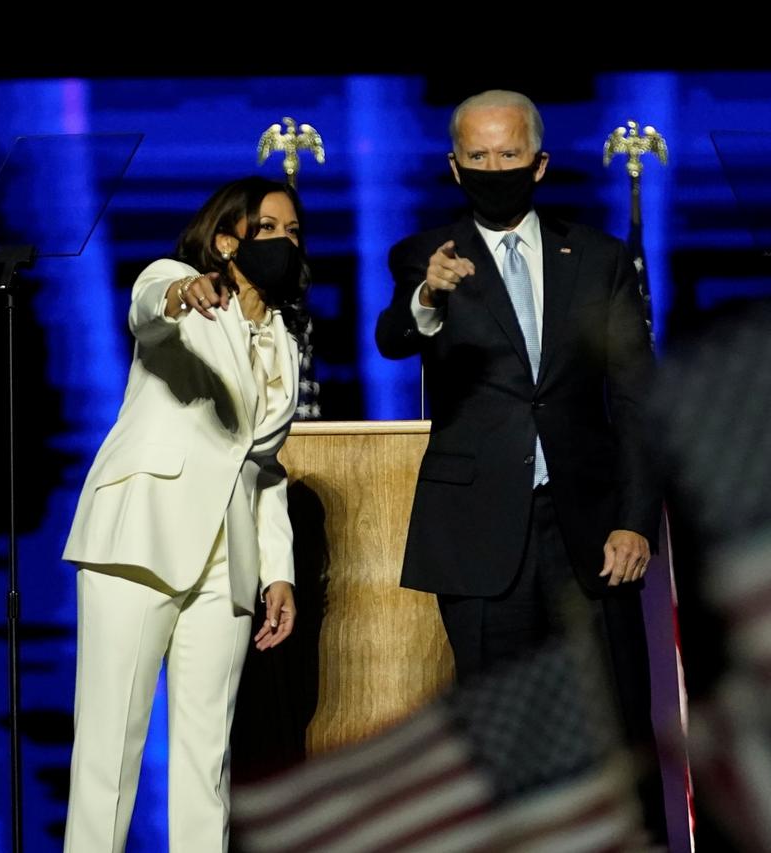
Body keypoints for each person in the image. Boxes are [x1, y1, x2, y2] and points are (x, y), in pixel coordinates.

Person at [375, 89, 667, 843]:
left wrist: (635, 522)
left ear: (539, 164)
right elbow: (393, 336)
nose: (492, 167)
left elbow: (637, 399)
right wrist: (427, 297)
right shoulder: (427, 256)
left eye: (508, 154)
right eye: (478, 156)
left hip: (586, 532)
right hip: (477, 530)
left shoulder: (599, 259)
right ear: (454, 164)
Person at [61, 176, 307, 852]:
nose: (284, 242)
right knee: (110, 747)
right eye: (267, 229)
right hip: (139, 539)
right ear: (227, 239)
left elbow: (262, 468)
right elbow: (148, 305)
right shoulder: (182, 284)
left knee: (207, 759)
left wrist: (276, 572)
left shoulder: (283, 342)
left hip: (227, 561)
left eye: (292, 232)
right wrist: (178, 296)